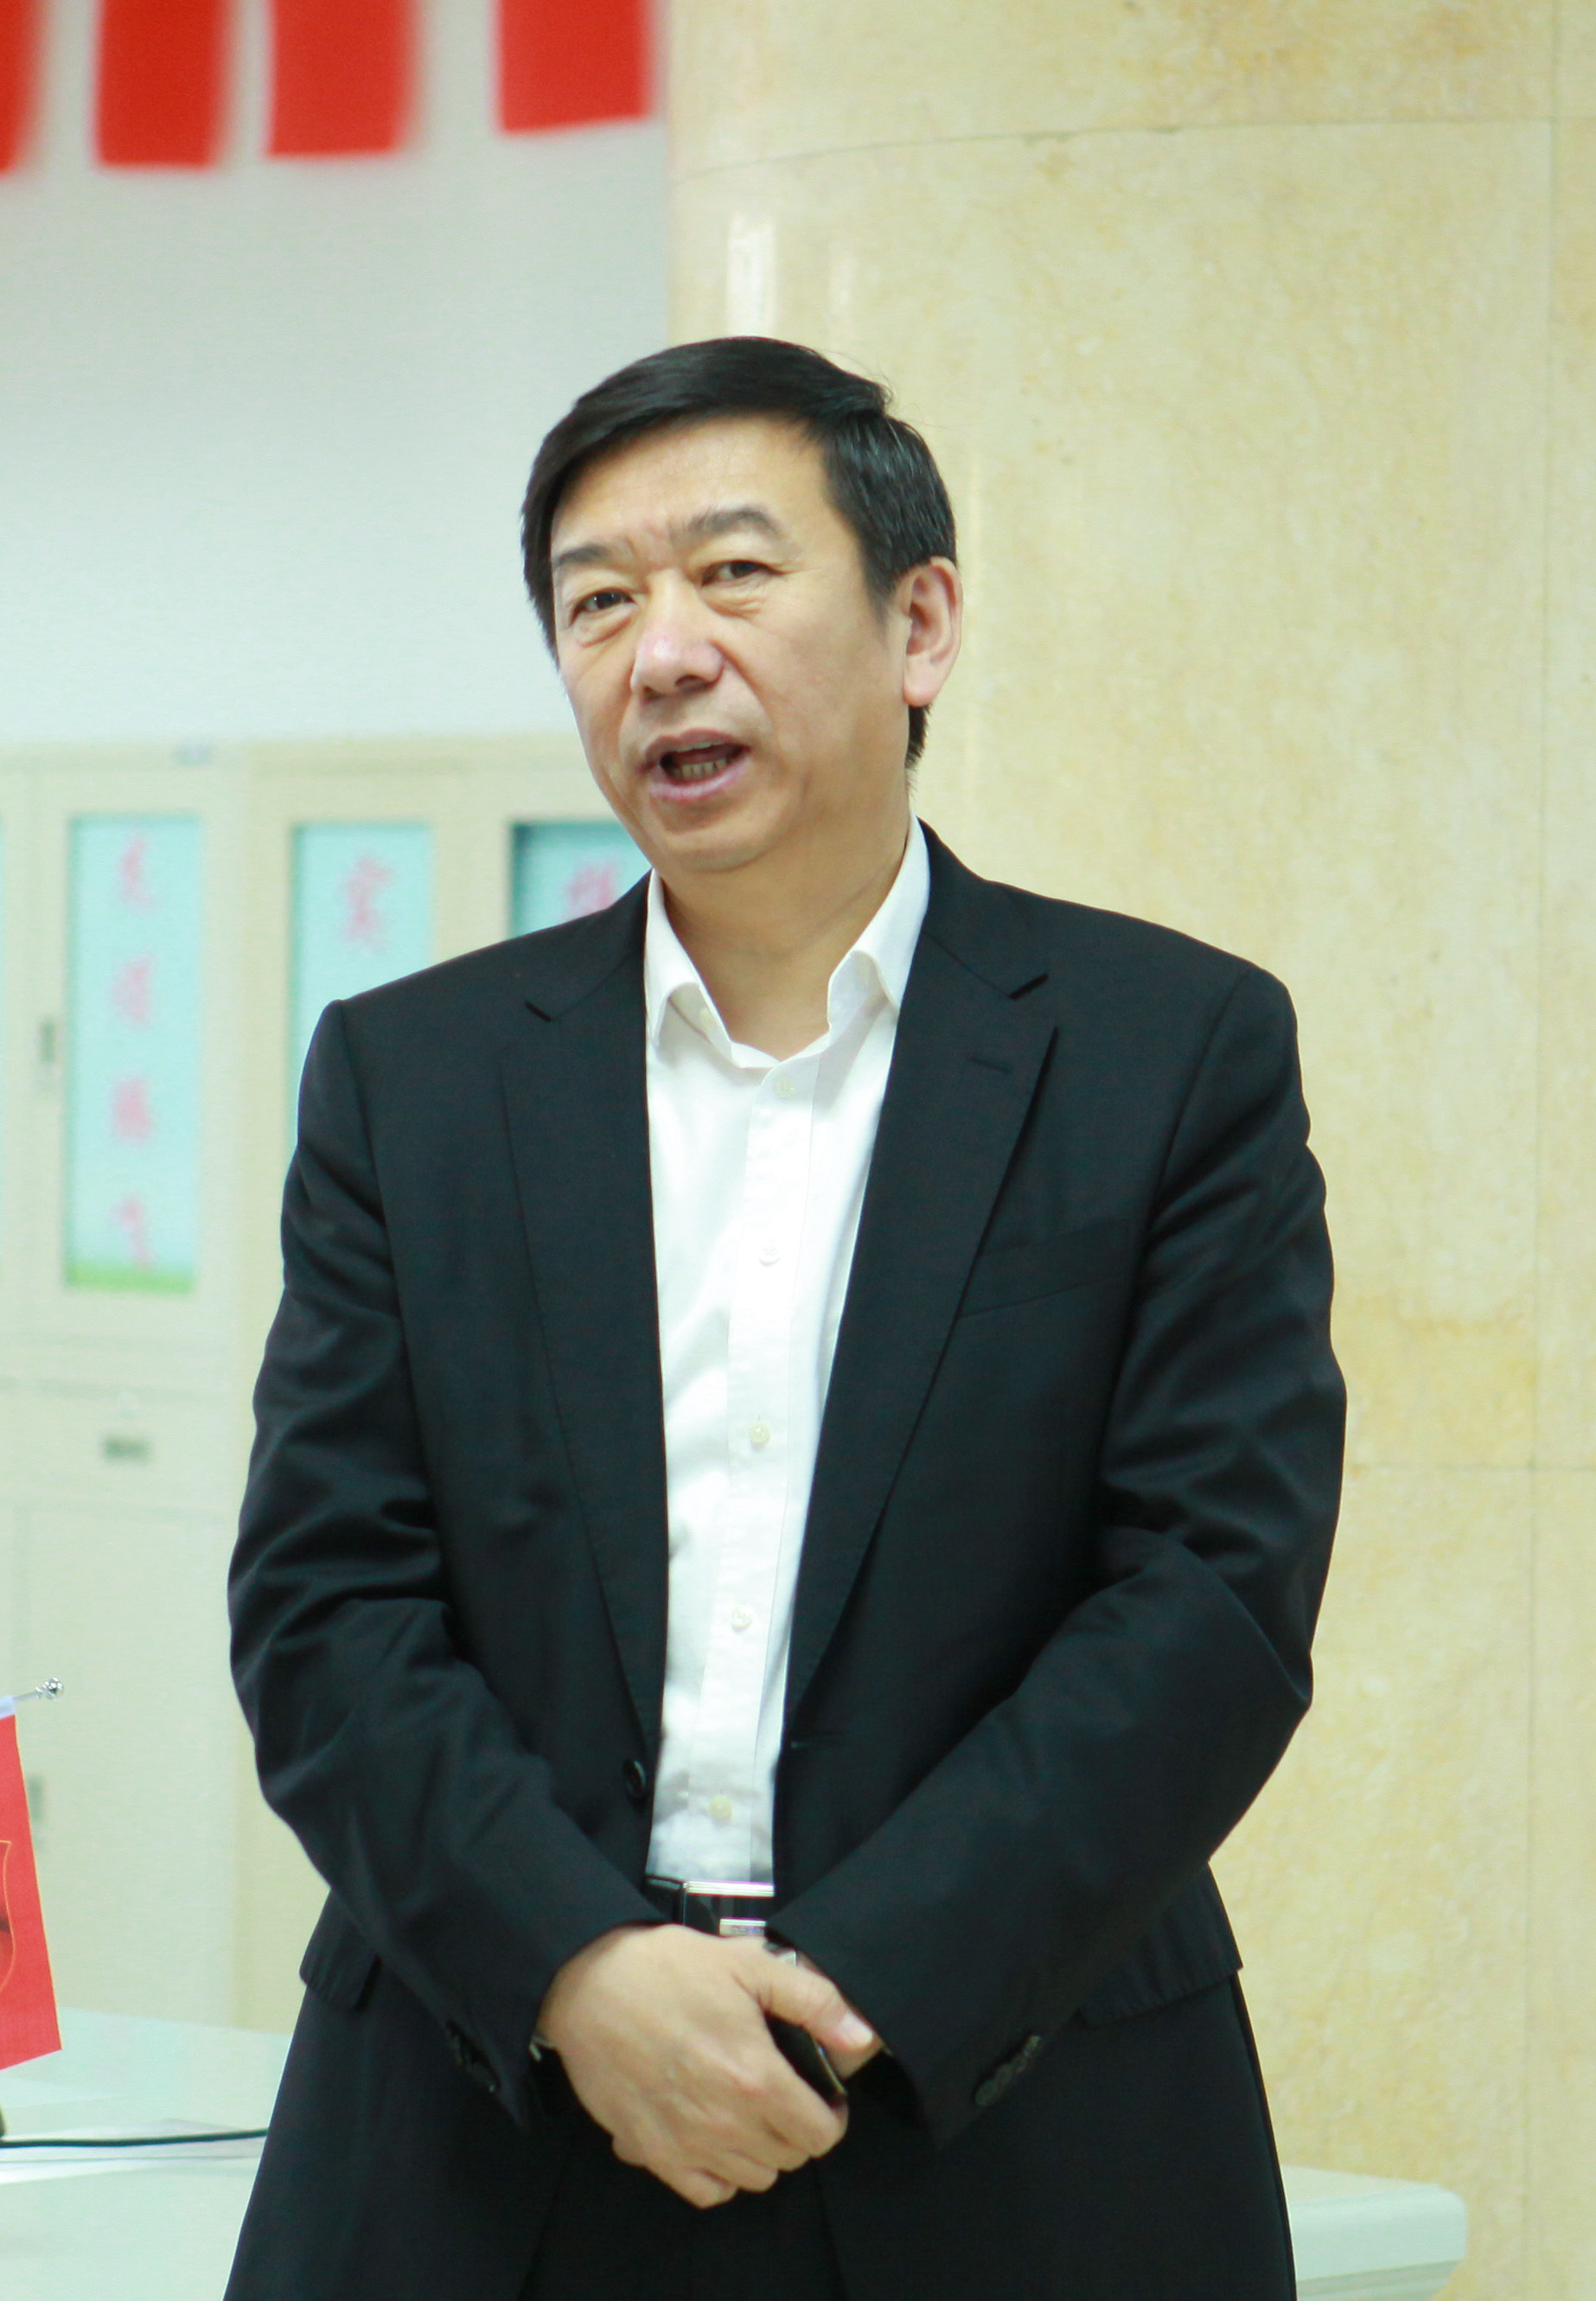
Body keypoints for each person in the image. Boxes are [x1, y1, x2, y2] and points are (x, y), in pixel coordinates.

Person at [225, 336, 1339, 2298]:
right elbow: (325, 1602)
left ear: (921, 624)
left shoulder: (1169, 1053)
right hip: (496, 2115)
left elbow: (1210, 1597)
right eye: (597, 602)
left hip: (1005, 2110)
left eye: (733, 573)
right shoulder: (415, 1080)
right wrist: (580, 1964)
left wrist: (858, 1983)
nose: (661, 652)